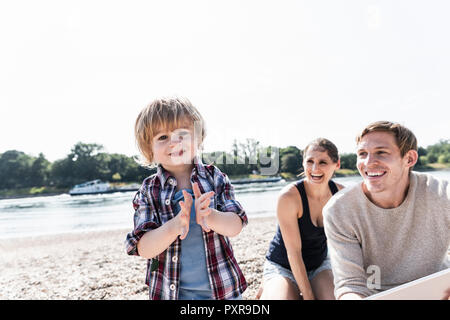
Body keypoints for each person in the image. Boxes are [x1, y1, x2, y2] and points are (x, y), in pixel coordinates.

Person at [125, 97, 247, 300]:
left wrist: (211, 216)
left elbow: (236, 225)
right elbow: (144, 248)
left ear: (198, 138)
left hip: (223, 290)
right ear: (149, 149)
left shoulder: (214, 177)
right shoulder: (149, 190)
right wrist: (174, 226)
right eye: (163, 137)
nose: (174, 142)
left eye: (182, 133)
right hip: (170, 293)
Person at [323, 121, 450, 300]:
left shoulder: (442, 194)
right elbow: (350, 284)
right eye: (362, 154)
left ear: (410, 159)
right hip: (378, 295)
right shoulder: (339, 210)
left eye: (381, 152)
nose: (368, 163)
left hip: (439, 291)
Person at [260, 138, 344, 300]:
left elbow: (348, 241)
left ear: (337, 164)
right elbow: (294, 252)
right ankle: (271, 282)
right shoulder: (289, 197)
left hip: (318, 265)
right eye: (310, 161)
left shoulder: (340, 195)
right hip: (283, 266)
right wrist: (308, 295)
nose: (315, 168)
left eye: (323, 162)